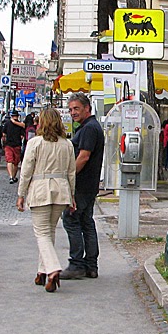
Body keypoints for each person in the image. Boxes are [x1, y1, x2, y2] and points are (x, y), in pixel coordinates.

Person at [16, 107, 76, 293]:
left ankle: (52, 269)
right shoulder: (67, 144)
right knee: (49, 232)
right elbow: (71, 173)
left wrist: (21, 194)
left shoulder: (35, 143)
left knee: (41, 233)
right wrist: (72, 196)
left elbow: (26, 171)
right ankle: (42, 272)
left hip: (40, 189)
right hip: (61, 190)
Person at [60, 92, 105, 280]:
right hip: (89, 184)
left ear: (87, 108)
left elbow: (83, 156)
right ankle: (91, 266)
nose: (73, 113)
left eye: (76, 108)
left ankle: (77, 264)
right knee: (86, 222)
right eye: (71, 109)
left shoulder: (89, 128)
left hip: (81, 184)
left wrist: (69, 177)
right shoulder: (91, 127)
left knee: (71, 220)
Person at [2, 109, 25, 183]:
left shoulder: (7, 124)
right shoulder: (20, 125)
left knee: (9, 160)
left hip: (8, 144)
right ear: (18, 116)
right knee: (16, 162)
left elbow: (4, 134)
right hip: (17, 145)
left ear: (11, 116)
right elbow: (22, 136)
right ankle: (14, 176)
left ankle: (11, 176)